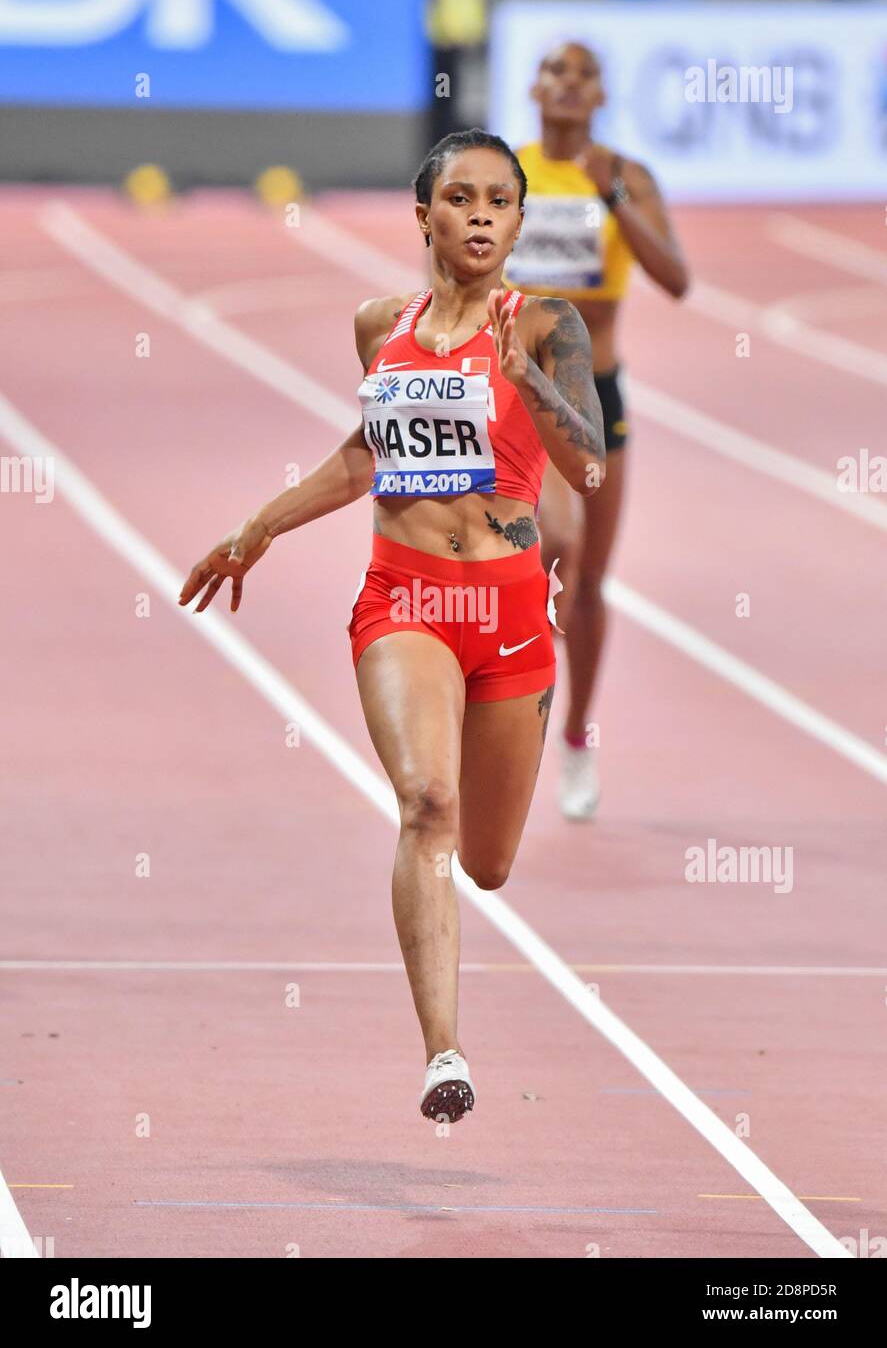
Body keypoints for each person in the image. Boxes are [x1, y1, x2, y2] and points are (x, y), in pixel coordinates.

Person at [178, 130, 605, 1123]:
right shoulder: (382, 325)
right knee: (424, 802)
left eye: (502, 200)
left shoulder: (548, 323)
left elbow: (587, 465)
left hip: (505, 616)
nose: (483, 216)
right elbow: (363, 455)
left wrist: (527, 376)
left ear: (518, 220)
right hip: (406, 599)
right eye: (462, 198)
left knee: (487, 865)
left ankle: (455, 944)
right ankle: (443, 1053)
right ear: (425, 216)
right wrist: (256, 529)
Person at [504, 42, 689, 820]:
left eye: (582, 75)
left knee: (587, 586)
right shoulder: (504, 172)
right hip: (520, 389)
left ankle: (575, 736)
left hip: (596, 392)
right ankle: (508, 713)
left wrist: (612, 197)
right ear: (533, 87)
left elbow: (675, 279)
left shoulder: (626, 174)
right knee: (557, 540)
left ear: (603, 93)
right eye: (555, 72)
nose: (568, 85)